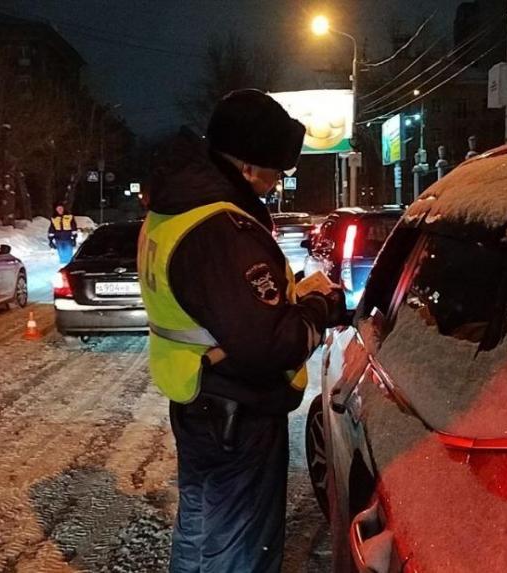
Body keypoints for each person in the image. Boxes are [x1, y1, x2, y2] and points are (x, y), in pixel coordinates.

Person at [139, 89, 347, 573]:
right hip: (236, 410)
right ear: (249, 167)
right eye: (276, 172)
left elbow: (220, 303)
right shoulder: (220, 229)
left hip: (197, 397)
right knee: (239, 545)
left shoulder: (176, 208)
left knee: (202, 523)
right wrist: (320, 306)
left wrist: (288, 292)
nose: (276, 184)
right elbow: (268, 345)